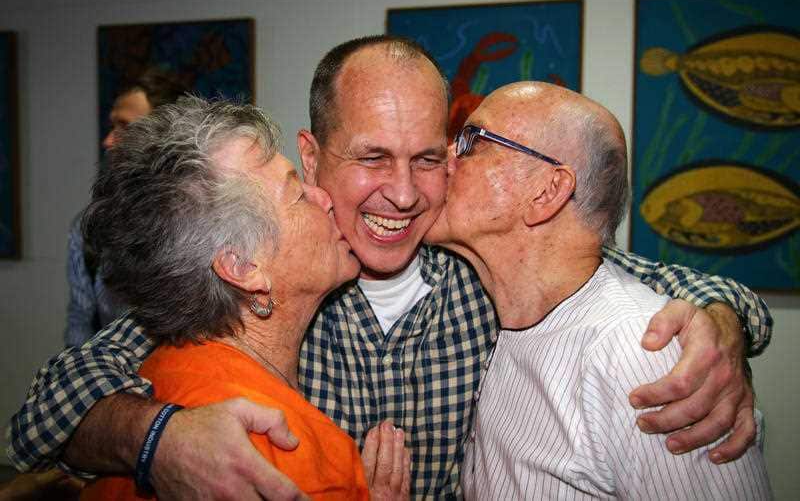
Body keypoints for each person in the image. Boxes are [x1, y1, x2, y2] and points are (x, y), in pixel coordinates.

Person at [10, 36, 772, 499]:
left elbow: (632, 278)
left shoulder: (484, 268)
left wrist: (723, 325)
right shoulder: (260, 290)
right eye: (373, 157)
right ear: (311, 158)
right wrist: (158, 439)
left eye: (431, 158)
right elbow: (48, 406)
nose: (404, 194)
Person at [425, 81, 771, 499]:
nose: (444, 157)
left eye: (472, 141)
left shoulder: (645, 355)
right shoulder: (504, 315)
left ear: (547, 192)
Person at [76, 95, 408, 499]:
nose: (323, 197)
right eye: (298, 195)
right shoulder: (283, 452)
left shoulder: (155, 375)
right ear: (243, 267)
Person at [65, 67, 187, 347]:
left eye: (125, 127)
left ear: (168, 135)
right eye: (112, 126)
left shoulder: (215, 227)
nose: (108, 140)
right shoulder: (90, 231)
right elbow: (80, 328)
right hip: (115, 382)